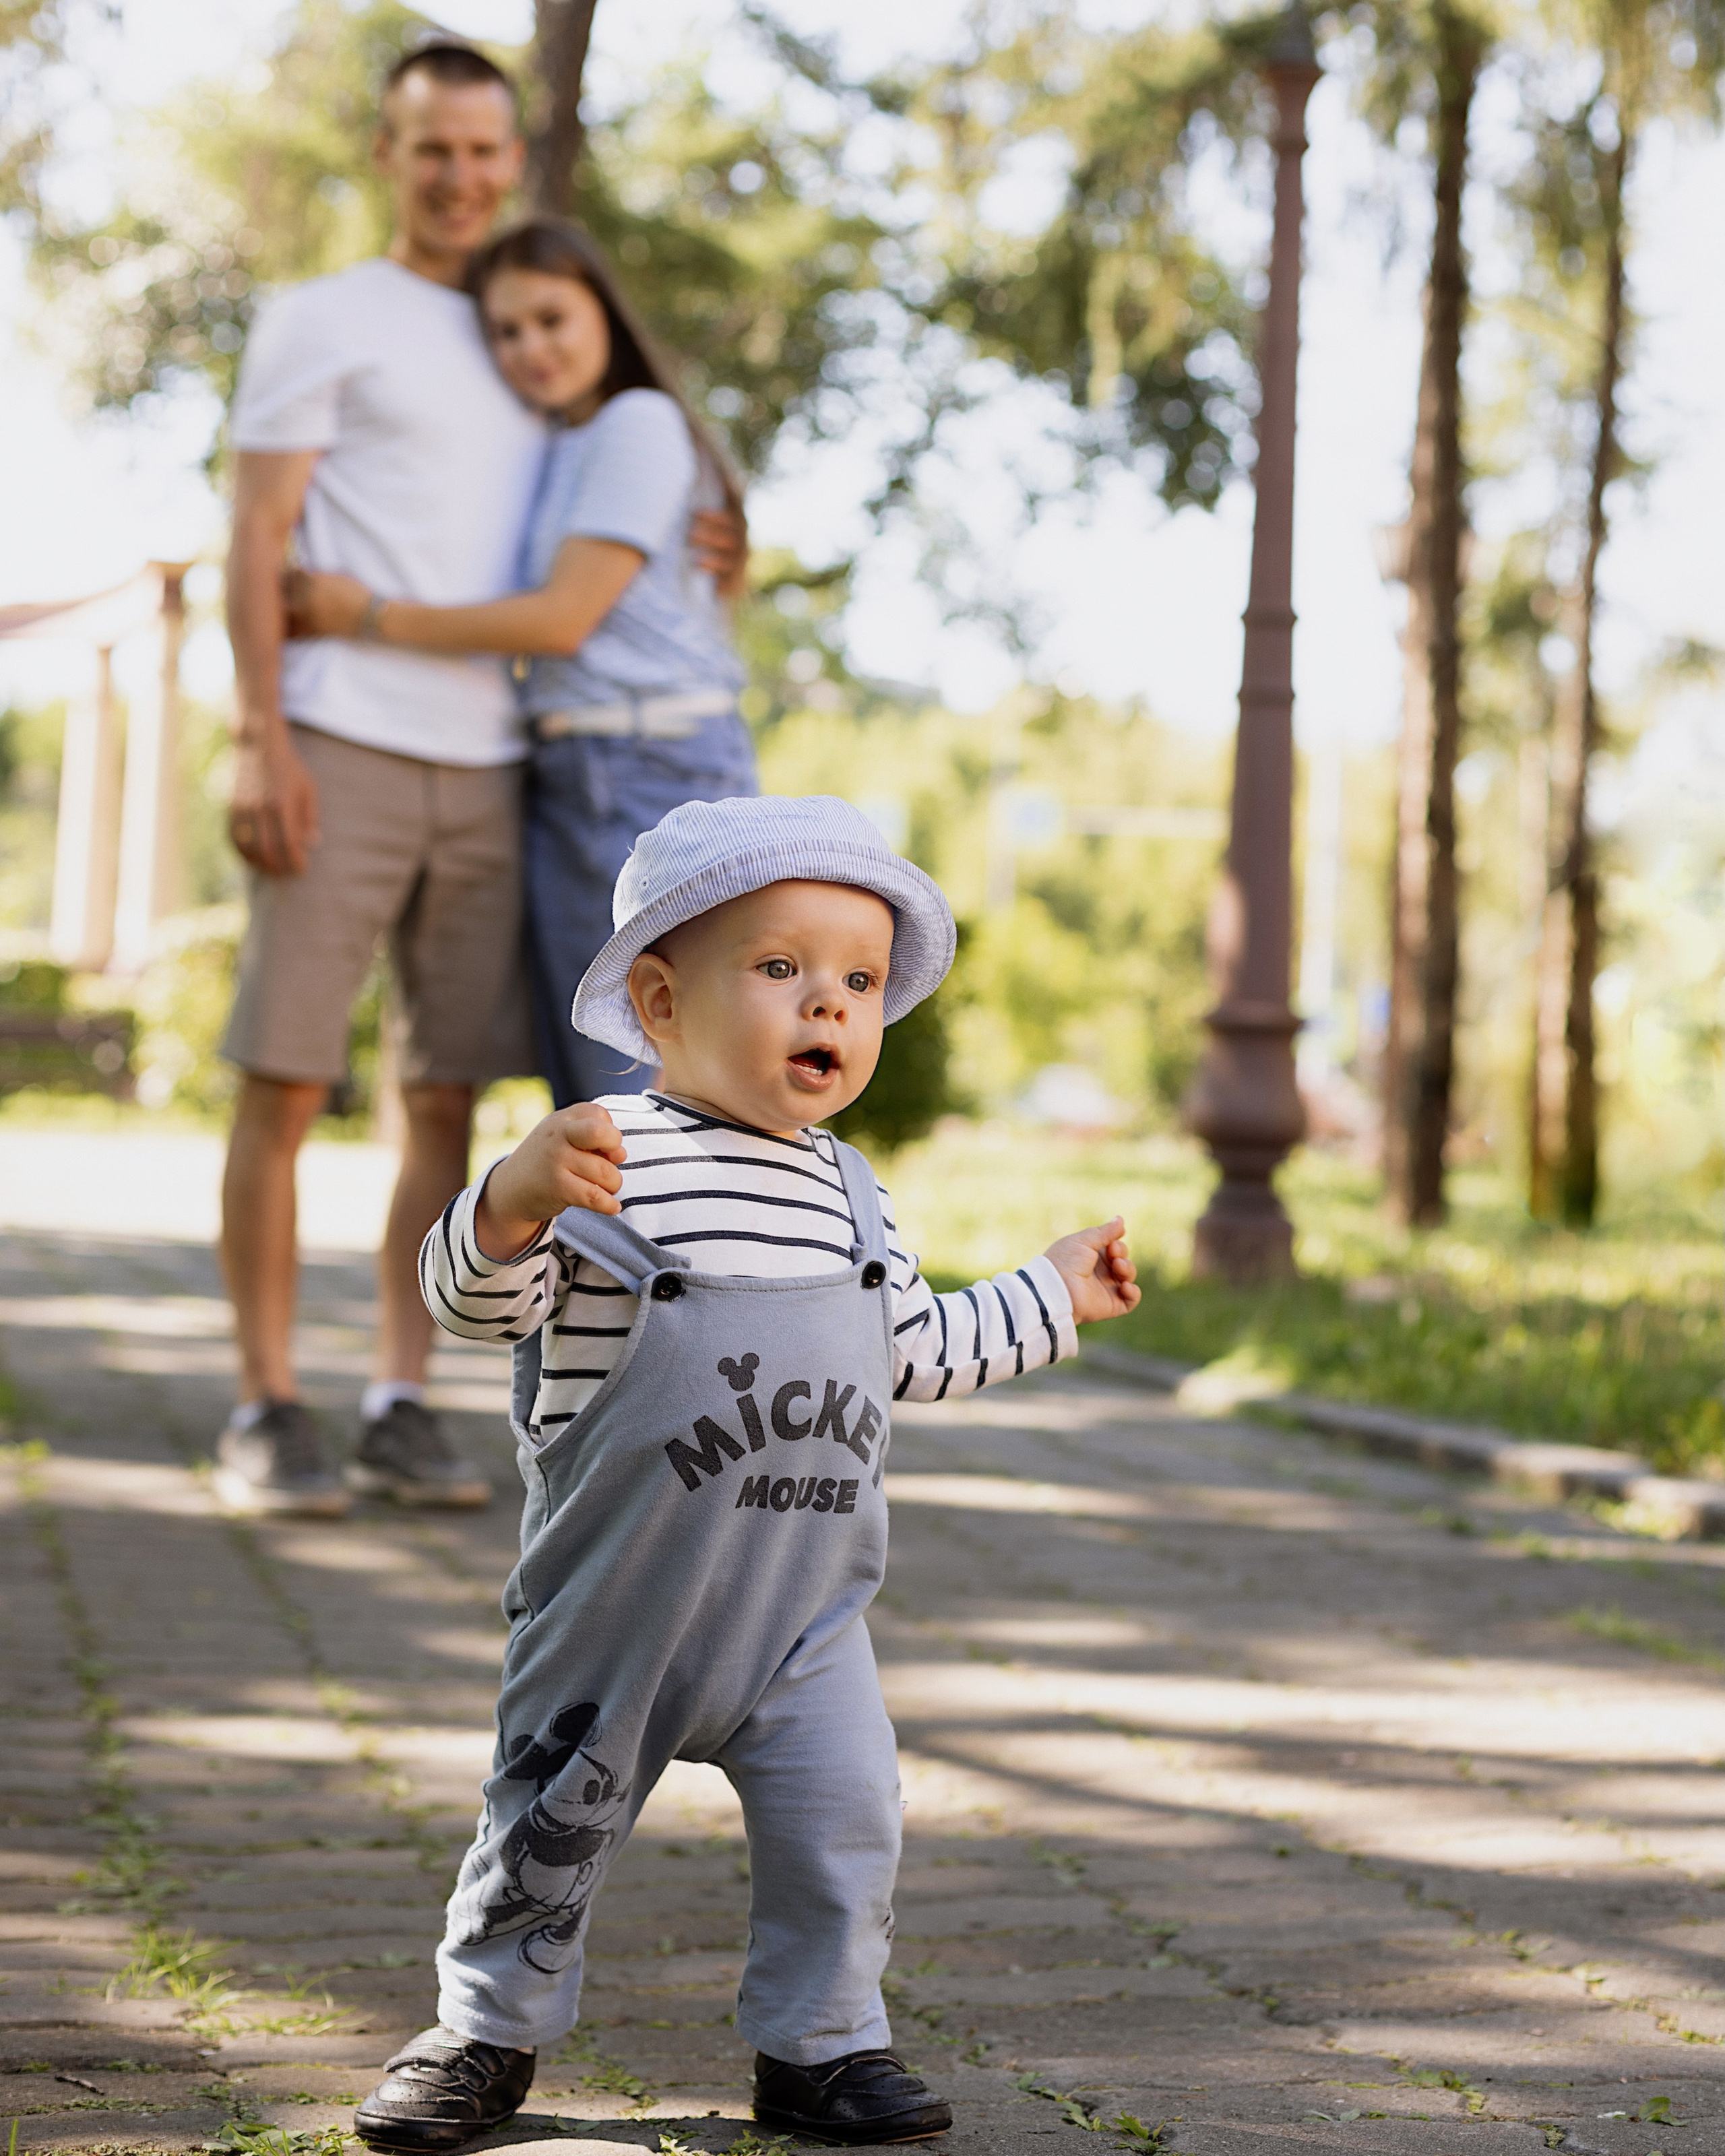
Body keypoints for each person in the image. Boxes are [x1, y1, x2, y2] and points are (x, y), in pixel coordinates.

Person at [350, 795, 1142, 2153]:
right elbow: (476, 1309)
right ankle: (484, 2030)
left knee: (847, 1825)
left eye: (856, 979)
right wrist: (508, 1199)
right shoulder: (605, 1154)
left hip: (804, 1621)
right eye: (780, 968)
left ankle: (821, 2045)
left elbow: (909, 1350)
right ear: (660, 998)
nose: (825, 1005)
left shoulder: (853, 1194)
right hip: (616, 1616)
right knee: (544, 1838)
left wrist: (1048, 1292)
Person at [214, 42, 745, 1519]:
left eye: (481, 149)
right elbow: (256, 538)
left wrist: (722, 534)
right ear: (385, 153)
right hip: (343, 740)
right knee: (287, 1073)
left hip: (505, 764)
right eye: (428, 147)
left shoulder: (539, 336)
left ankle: (400, 1398)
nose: (456, 173)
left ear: (514, 159)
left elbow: (634, 503)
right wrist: (258, 731)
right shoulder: (323, 320)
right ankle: (264, 1402)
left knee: (445, 1096)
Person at [288, 215, 757, 1112]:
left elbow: (562, 619)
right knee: (599, 1087)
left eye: (551, 319)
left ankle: (680, 1255)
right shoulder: (555, 443)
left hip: (649, 767)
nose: (530, 348)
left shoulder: (637, 422)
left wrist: (365, 614)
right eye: (506, 331)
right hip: (574, 764)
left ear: (603, 314)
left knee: (644, 1089)